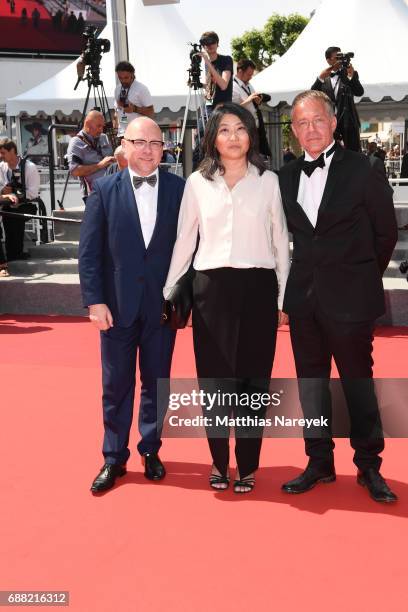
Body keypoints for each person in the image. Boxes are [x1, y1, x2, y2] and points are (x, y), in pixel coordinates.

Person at [278, 90, 398, 503]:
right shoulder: (286, 176)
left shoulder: (364, 169)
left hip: (351, 300)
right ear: (292, 131)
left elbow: (386, 234)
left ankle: (368, 466)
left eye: (317, 121)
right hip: (304, 303)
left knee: (357, 385)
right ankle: (319, 461)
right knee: (312, 385)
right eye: (301, 123)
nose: (309, 129)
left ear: (332, 123)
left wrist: (360, 277)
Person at [164, 102, 290, 494]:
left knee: (255, 381)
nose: (233, 136)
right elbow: (185, 239)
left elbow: (279, 240)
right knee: (215, 382)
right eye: (224, 130)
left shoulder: (267, 180)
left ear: (251, 135)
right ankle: (220, 462)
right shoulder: (197, 183)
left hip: (258, 288)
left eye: (240, 129)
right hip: (210, 290)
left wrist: (284, 297)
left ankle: (248, 464)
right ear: (212, 138)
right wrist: (170, 291)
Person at [79, 117, 185, 493]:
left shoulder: (179, 189)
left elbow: (191, 247)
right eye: (140, 142)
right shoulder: (103, 191)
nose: (147, 150)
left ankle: (151, 448)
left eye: (155, 143)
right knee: (116, 385)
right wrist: (95, 301)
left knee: (157, 383)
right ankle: (113, 456)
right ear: (123, 146)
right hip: (116, 310)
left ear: (164, 149)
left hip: (161, 309)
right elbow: (89, 254)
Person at [311, 46, 364, 152]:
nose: (340, 60)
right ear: (329, 60)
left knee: (352, 154)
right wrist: (320, 78)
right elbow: (313, 94)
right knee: (330, 154)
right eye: (337, 57)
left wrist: (351, 75)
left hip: (348, 122)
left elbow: (359, 92)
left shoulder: (348, 73)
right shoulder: (324, 78)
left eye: (341, 56)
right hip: (329, 123)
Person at [0, 139, 40, 261]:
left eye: (3, 152)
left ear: (12, 150)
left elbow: (33, 192)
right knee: (7, 214)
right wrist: (3, 192)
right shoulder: (1, 167)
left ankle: (15, 253)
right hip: (7, 204)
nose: (1, 156)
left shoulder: (29, 167)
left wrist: (17, 197)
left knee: (13, 216)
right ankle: (13, 254)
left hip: (27, 204)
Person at [67, 110, 114, 200]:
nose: (101, 130)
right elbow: (75, 171)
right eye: (98, 126)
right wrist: (100, 165)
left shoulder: (104, 137)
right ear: (88, 124)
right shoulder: (76, 142)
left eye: (102, 126)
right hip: (93, 194)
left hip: (110, 190)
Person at [232, 58, 271, 158]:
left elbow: (252, 103)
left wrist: (257, 100)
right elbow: (231, 109)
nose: (250, 77)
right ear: (240, 71)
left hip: (255, 128)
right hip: (244, 129)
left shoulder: (249, 85)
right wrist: (248, 100)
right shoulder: (232, 86)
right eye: (249, 74)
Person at [114, 61, 154, 136]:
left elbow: (151, 112)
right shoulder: (117, 89)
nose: (123, 81)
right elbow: (117, 111)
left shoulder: (141, 89)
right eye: (120, 78)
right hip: (122, 134)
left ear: (132, 75)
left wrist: (135, 109)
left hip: (138, 134)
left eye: (126, 78)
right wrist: (115, 127)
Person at [199, 31, 233, 112]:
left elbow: (223, 85)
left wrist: (208, 62)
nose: (210, 45)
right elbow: (211, 87)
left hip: (223, 109)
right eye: (207, 43)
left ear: (217, 43)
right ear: (203, 46)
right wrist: (199, 84)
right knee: (200, 124)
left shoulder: (226, 60)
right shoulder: (206, 64)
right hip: (209, 107)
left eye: (213, 42)